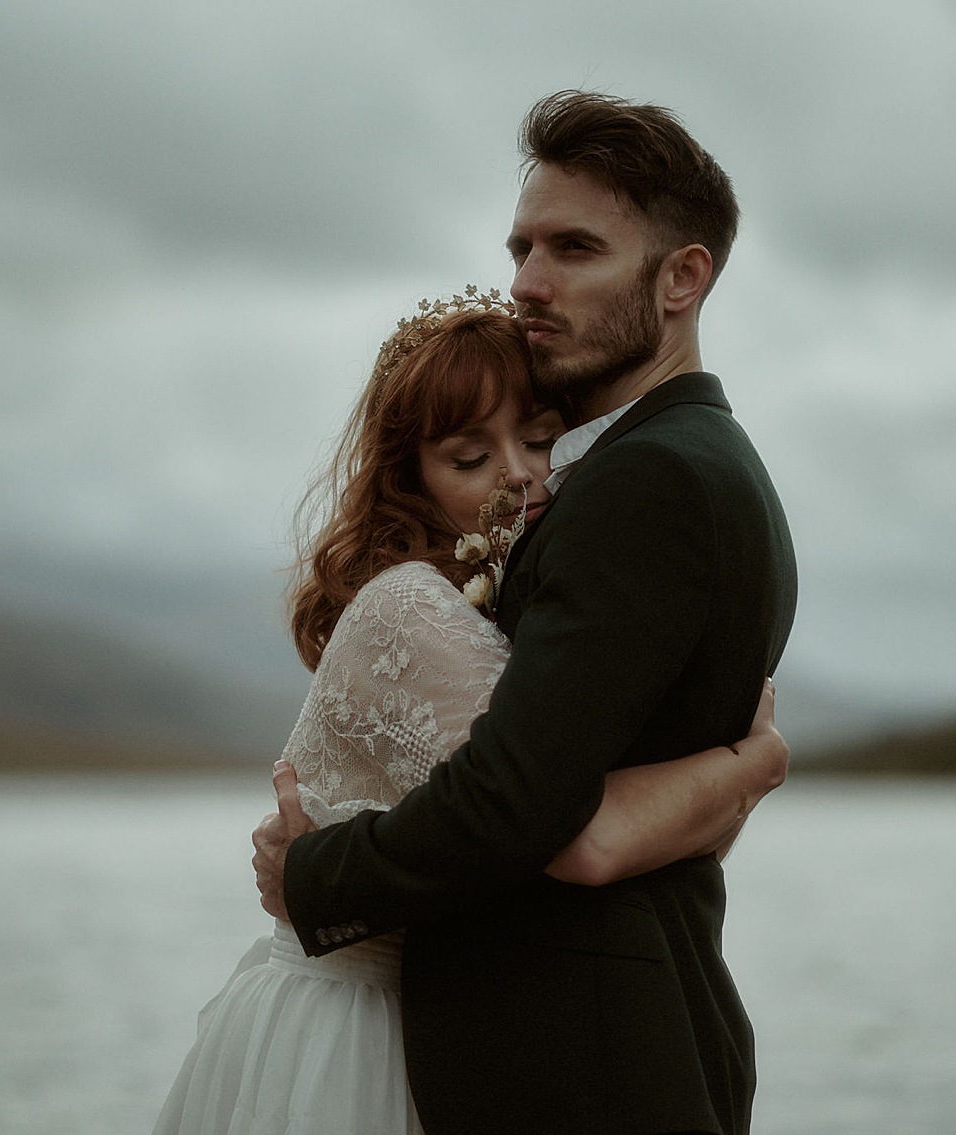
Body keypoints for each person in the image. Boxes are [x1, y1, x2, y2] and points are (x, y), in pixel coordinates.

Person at [255, 92, 798, 1135]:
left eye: (574, 249)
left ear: (683, 276)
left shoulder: (651, 483)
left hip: (578, 1067)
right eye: (521, 248)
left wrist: (312, 871)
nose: (528, 285)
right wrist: (742, 774)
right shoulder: (693, 465)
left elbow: (523, 806)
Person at [152, 293, 787, 1135]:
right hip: (353, 1036)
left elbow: (654, 841)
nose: (519, 474)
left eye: (537, 440)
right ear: (409, 477)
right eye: (469, 456)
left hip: (435, 1019)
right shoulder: (409, 609)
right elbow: (578, 827)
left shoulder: (508, 615)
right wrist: (754, 763)